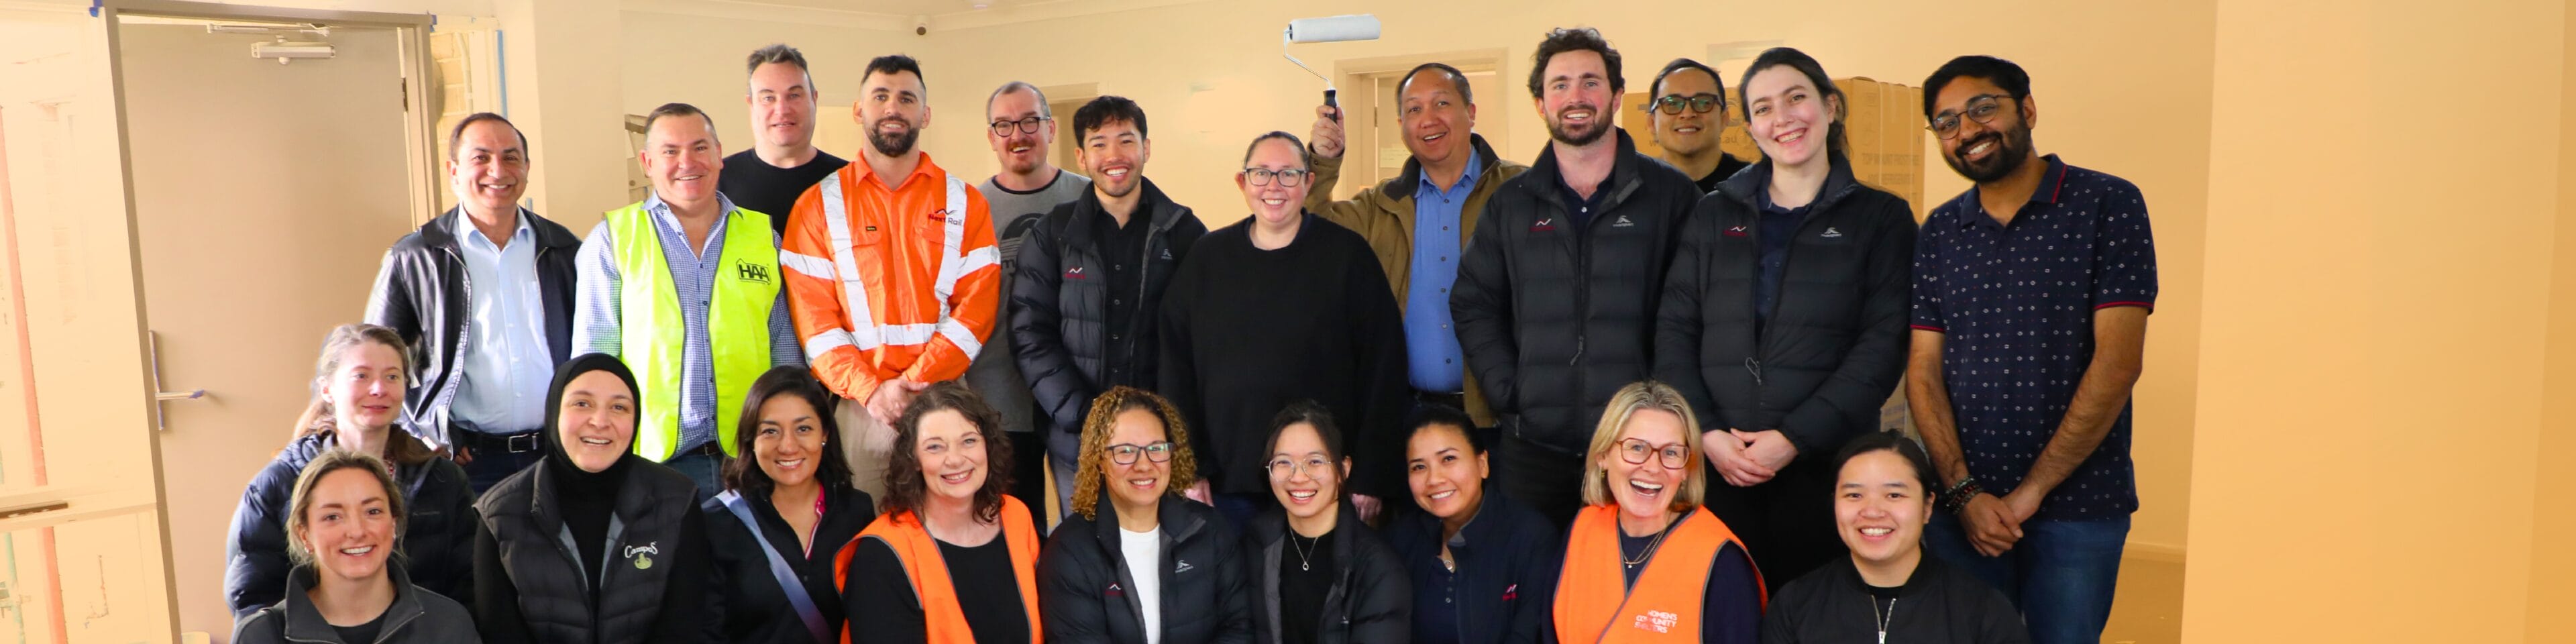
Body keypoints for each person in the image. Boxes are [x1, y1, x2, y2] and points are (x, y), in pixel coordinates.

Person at [1907, 54, 2155, 644]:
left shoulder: (2108, 204)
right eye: (1946, 122)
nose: (1966, 130)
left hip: (2079, 508)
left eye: (1982, 107)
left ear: (2028, 109)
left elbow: (2118, 362)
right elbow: (1923, 370)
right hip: (1963, 512)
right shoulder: (1941, 231)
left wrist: (2031, 493)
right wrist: (1964, 492)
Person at [1652, 47, 1916, 592]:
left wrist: (1793, 437)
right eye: (1764, 108)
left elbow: (1882, 345)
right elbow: (1676, 328)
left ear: (1831, 107)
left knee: (1814, 609)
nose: (1783, 119)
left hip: (1825, 465)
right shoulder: (1713, 214)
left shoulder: (1881, 218)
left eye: (1797, 98)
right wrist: (1706, 433)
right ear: (1749, 127)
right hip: (1719, 464)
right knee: (1723, 608)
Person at [1452, 28, 1701, 526]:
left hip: (1639, 451)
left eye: (1590, 82)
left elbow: (1699, 308)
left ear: (1616, 95)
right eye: (1560, 85)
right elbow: (1474, 301)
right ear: (1542, 104)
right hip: (1535, 449)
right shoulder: (1511, 203)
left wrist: (1669, 404)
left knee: (1632, 587)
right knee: (1534, 590)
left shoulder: (1671, 196)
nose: (1576, 97)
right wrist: (1511, 391)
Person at [1158, 131, 1408, 529]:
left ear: (1309, 183)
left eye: (1288, 174)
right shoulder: (1207, 260)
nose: (1274, 187)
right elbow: (1175, 370)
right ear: (1242, 183)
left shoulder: (1348, 257)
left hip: (1325, 483)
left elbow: (1384, 369)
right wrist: (1190, 467)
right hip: (1228, 482)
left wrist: (1371, 476)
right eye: (1261, 174)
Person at [785, 55, 1002, 502]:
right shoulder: (815, 207)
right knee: (867, 540)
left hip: (946, 398)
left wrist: (917, 384)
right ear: (858, 111)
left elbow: (976, 311)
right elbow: (815, 324)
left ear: (925, 113)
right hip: (861, 408)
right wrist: (874, 393)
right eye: (880, 96)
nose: (893, 108)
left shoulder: (967, 202)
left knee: (949, 530)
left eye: (907, 98)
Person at [574, 102, 803, 497]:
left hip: (751, 459)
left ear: (719, 154)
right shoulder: (613, 240)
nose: (687, 162)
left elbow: (784, 351)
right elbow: (596, 358)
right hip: (651, 465)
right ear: (647, 162)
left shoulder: (763, 237)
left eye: (699, 147)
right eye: (670, 151)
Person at [1301, 62, 1529, 438]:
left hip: (1501, 418)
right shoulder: (1381, 204)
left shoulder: (1521, 190)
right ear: (1401, 125)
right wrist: (1324, 161)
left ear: (1470, 113)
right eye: (1413, 109)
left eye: (1441, 103)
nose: (1427, 119)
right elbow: (1312, 225)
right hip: (1408, 414)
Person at [366, 112, 582, 492]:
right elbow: (376, 360)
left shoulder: (563, 248)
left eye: (511, 157)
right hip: (468, 464)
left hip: (558, 453)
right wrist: (429, 427)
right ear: (454, 172)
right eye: (481, 158)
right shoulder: (416, 256)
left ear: (527, 168)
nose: (497, 170)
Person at [1014, 95, 1206, 519]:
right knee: (1085, 552)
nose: (1114, 156)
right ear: (1082, 157)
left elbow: (1203, 339)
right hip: (1076, 440)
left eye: (1126, 141)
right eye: (1100, 144)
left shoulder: (1184, 231)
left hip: (1159, 442)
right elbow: (1031, 334)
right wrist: (1087, 420)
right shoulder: (1053, 234)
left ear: (1146, 149)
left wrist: (1166, 424)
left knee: (1160, 551)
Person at [226, 324, 476, 620]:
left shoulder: (442, 480)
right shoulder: (279, 483)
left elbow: (470, 589)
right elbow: (254, 598)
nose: (379, 389)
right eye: (362, 376)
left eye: (392, 376)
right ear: (328, 390)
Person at [472, 354, 712, 644]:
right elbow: (499, 633)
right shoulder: (499, 514)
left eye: (619, 407)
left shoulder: (678, 499)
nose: (600, 421)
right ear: (553, 413)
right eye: (582, 403)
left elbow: (684, 626)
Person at [1758, 432, 2031, 644]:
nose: (1873, 511)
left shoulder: (1982, 611)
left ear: (1927, 507)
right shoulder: (1795, 605)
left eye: (1894, 495)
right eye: (1854, 495)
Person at [1545, 380, 1762, 644]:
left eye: (1670, 453)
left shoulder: (1722, 560)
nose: (1653, 467)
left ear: (1686, 470)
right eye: (1637, 448)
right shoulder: (1582, 529)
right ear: (1603, 456)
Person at [1034, 386, 1254, 643]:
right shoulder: (1069, 551)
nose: (1144, 465)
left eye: (1157, 448)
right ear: (1100, 461)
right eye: (1125, 451)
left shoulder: (1212, 530)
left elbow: (1238, 629)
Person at [837, 382, 1042, 643]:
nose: (955, 459)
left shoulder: (1015, 516)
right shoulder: (881, 553)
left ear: (988, 447)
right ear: (914, 459)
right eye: (935, 447)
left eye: (969, 441)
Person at [974, 80, 1089, 521]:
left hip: (1077, 390)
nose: (1017, 134)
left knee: (1086, 523)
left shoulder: (1087, 197)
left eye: (1028, 121)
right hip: (999, 396)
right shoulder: (971, 207)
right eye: (1004, 125)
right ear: (991, 137)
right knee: (1015, 524)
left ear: (1051, 128)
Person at [231, 450, 482, 644]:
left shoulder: (448, 624)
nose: (357, 531)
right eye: (332, 517)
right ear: (304, 535)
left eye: (372, 511)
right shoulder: (262, 635)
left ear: (393, 524)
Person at [703, 366, 877, 644]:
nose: (788, 446)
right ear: (751, 439)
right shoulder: (716, 521)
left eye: (803, 428)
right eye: (770, 431)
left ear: (826, 433)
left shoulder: (857, 512)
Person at [1382, 404, 1560, 644]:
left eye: (1449, 459)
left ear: (1482, 464)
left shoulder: (1532, 537)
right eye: (1419, 467)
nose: (1434, 479)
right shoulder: (1398, 540)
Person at [1240, 402, 1409, 643]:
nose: (1298, 477)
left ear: (1344, 468)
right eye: (1283, 463)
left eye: (1315, 462)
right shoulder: (1255, 544)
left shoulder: (1377, 567)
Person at [720, 44, 852, 237]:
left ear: (814, 100)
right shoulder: (718, 185)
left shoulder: (850, 182)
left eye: (794, 95)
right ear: (751, 104)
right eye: (768, 98)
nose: (782, 109)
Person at [1644, 58, 1754, 194]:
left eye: (1703, 102)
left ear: (1724, 118)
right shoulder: (1631, 189)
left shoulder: (1755, 186)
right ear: (1651, 123)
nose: (1688, 113)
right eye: (1672, 104)